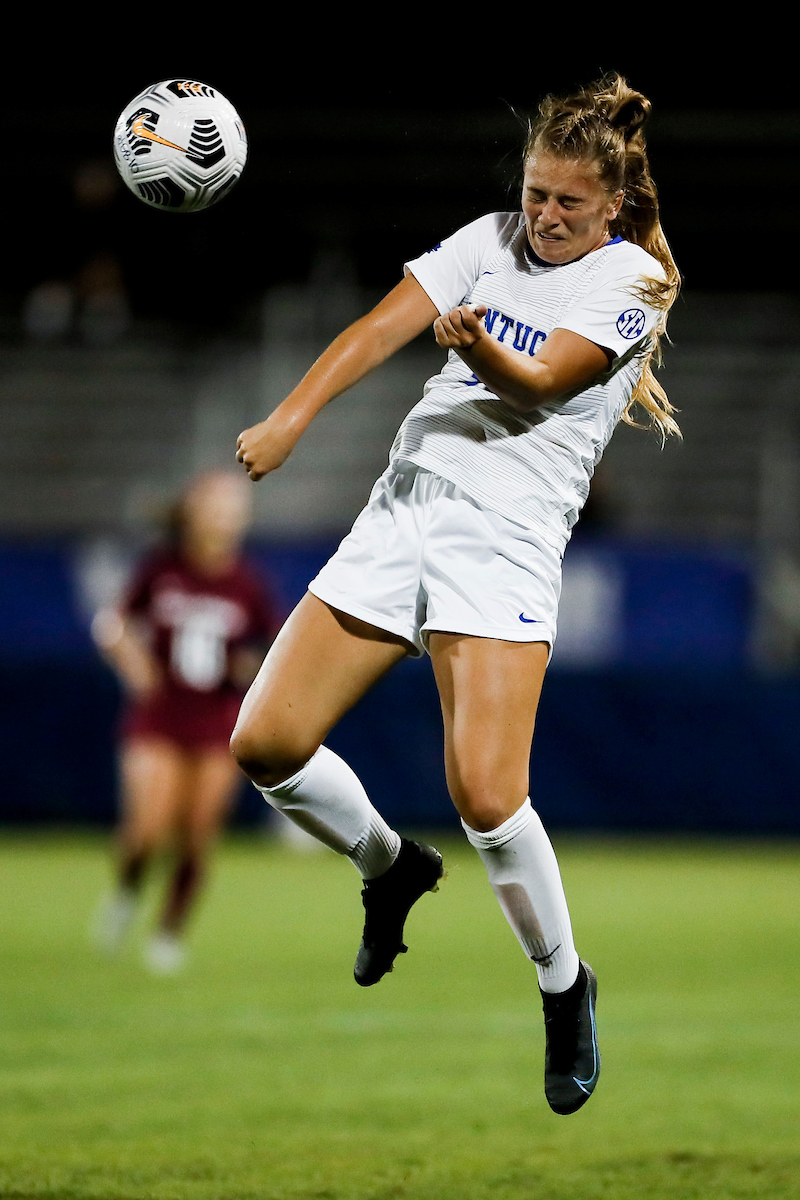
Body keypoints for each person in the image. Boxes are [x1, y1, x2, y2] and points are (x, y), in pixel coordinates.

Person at [231, 74, 680, 1114]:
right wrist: (293, 416)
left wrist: (480, 345)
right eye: (535, 195)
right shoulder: (486, 238)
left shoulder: (630, 282)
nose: (546, 217)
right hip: (404, 508)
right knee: (263, 744)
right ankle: (388, 867)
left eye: (568, 202)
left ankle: (563, 989)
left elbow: (547, 381)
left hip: (504, 537)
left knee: (484, 793)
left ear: (610, 204)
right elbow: (375, 329)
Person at [92, 469, 279, 972]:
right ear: (194, 513)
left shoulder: (248, 583)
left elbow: (274, 653)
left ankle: (168, 933)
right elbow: (112, 623)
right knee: (146, 831)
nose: (228, 515)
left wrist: (251, 667)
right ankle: (127, 891)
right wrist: (132, 662)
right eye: (218, 504)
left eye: (235, 508)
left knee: (197, 835)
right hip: (158, 718)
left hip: (218, 722)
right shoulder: (161, 569)